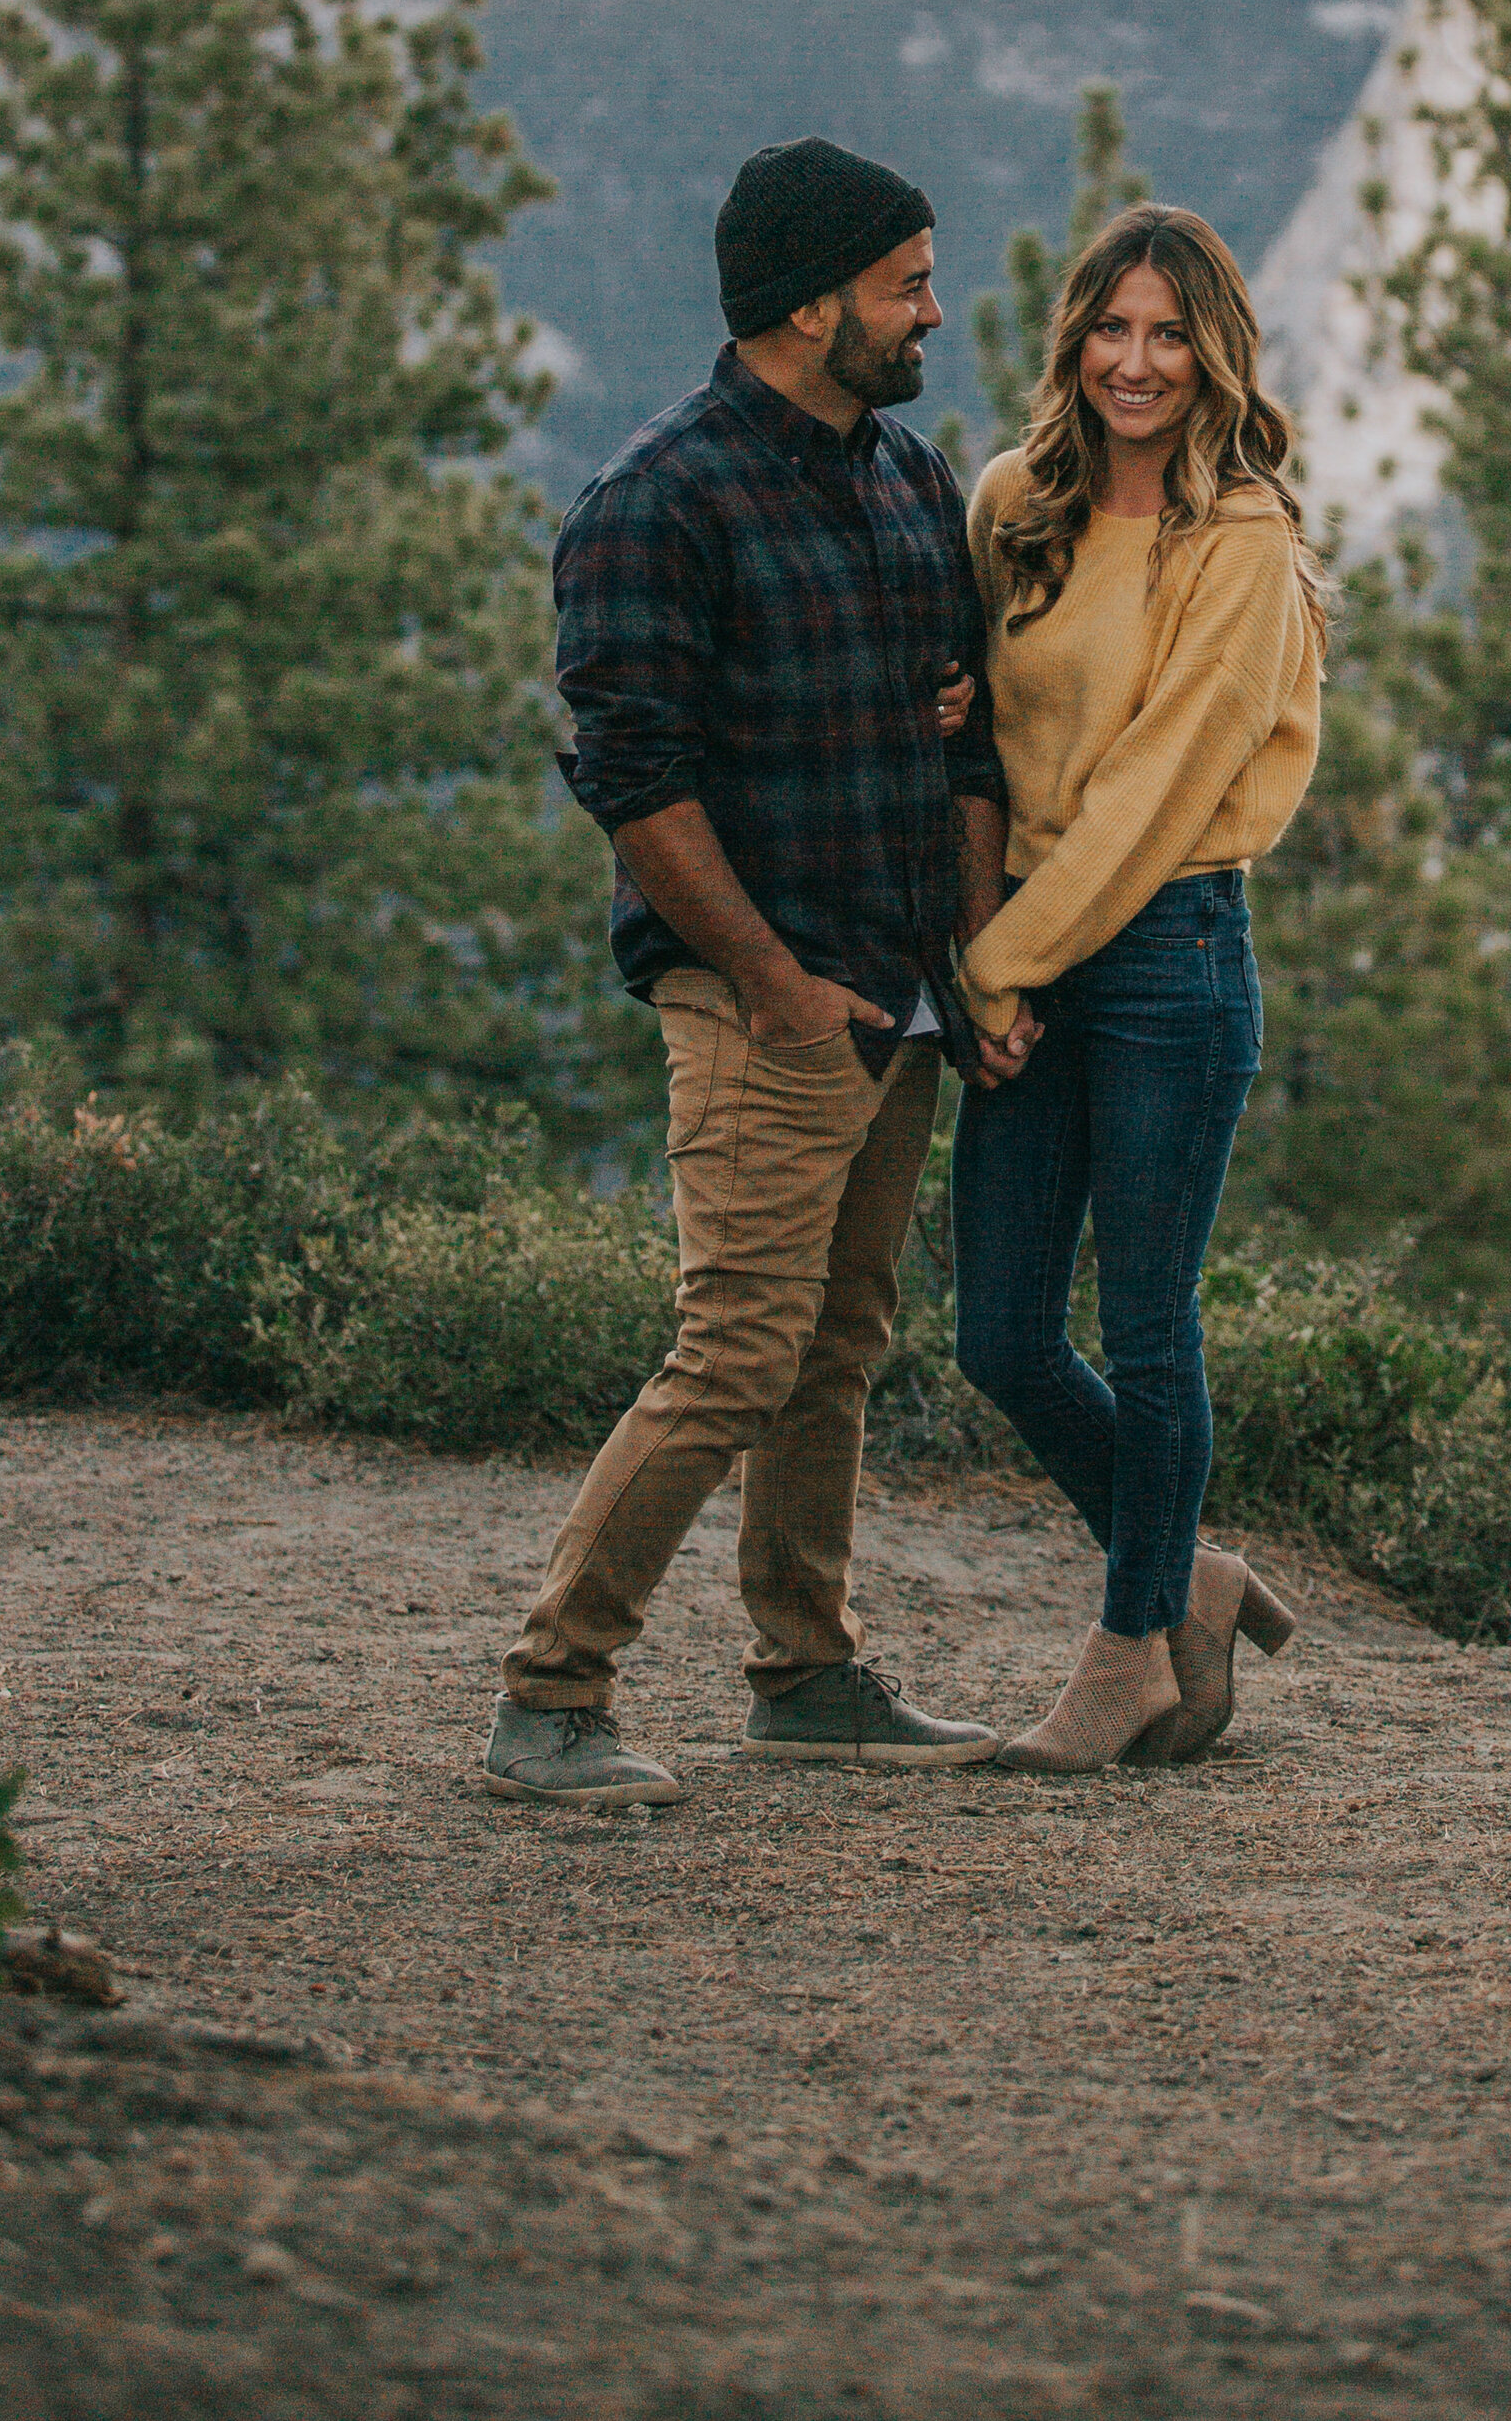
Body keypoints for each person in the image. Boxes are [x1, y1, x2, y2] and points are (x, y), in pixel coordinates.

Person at [482, 136, 1029, 1807]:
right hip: (764, 1006)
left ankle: (807, 1670)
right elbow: (635, 785)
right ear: (811, 304)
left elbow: (962, 723)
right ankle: (551, 1693)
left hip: (900, 996)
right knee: (734, 1347)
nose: (935, 311)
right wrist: (776, 981)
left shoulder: (905, 479)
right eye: (905, 282)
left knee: (837, 1343)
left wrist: (974, 959)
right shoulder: (660, 500)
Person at [951, 203, 1325, 1772]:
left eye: (1172, 333)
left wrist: (992, 965)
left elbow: (1164, 785)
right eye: (1114, 327)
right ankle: (1195, 1580)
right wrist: (990, 946)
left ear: (1216, 351)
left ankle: (1128, 1648)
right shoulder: (1012, 503)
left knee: (1152, 1326)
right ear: (1074, 338)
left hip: (1168, 951)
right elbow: (976, 740)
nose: (1138, 362)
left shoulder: (1240, 542)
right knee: (1002, 1334)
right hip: (1026, 947)